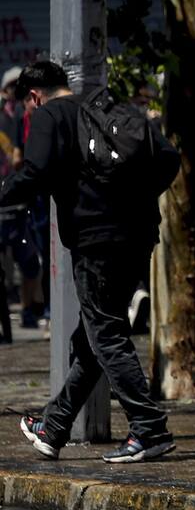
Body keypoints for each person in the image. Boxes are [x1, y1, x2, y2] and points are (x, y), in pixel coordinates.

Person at [0, 62, 175, 463]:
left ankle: (149, 429)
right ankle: (54, 426)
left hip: (96, 239)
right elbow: (168, 158)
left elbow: (36, 172)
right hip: (138, 233)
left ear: (33, 96)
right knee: (92, 337)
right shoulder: (111, 108)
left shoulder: (49, 115)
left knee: (105, 335)